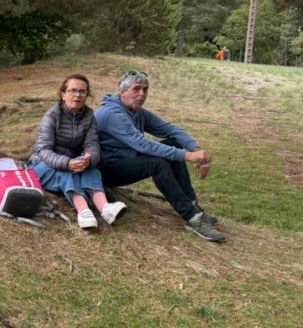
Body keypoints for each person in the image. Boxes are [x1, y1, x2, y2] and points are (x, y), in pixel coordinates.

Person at [95, 70, 225, 242]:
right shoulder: (111, 113)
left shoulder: (137, 112)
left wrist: (195, 150)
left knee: (173, 143)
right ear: (122, 92)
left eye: (145, 89)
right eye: (136, 89)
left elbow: (170, 129)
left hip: (126, 159)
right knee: (157, 163)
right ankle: (192, 217)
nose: (142, 94)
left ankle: (192, 205)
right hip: (106, 170)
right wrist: (187, 156)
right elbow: (142, 144)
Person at [28, 74, 127, 230]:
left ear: (87, 95)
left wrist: (88, 158)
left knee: (92, 169)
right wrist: (67, 163)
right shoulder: (52, 115)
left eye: (82, 91)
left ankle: (105, 208)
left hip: (72, 162)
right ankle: (83, 211)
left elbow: (92, 144)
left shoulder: (89, 115)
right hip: (41, 166)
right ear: (63, 94)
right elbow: (43, 150)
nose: (78, 95)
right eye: (73, 90)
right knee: (66, 172)